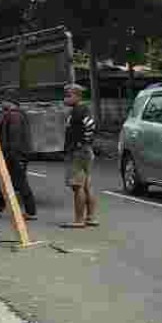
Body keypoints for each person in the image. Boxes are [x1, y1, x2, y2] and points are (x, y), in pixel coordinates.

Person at [0, 92, 38, 220]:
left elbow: (14, 138)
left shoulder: (14, 116)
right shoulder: (16, 115)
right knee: (7, 181)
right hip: (16, 155)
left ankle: (30, 211)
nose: (1, 104)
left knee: (20, 183)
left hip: (15, 155)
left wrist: (11, 155)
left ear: (9, 102)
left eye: (3, 101)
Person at [61, 83, 98, 228]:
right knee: (87, 185)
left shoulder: (79, 110)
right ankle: (91, 217)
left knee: (78, 186)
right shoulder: (82, 109)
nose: (65, 98)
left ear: (77, 96)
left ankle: (78, 220)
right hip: (85, 150)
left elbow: (90, 126)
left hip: (78, 152)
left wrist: (81, 143)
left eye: (68, 95)